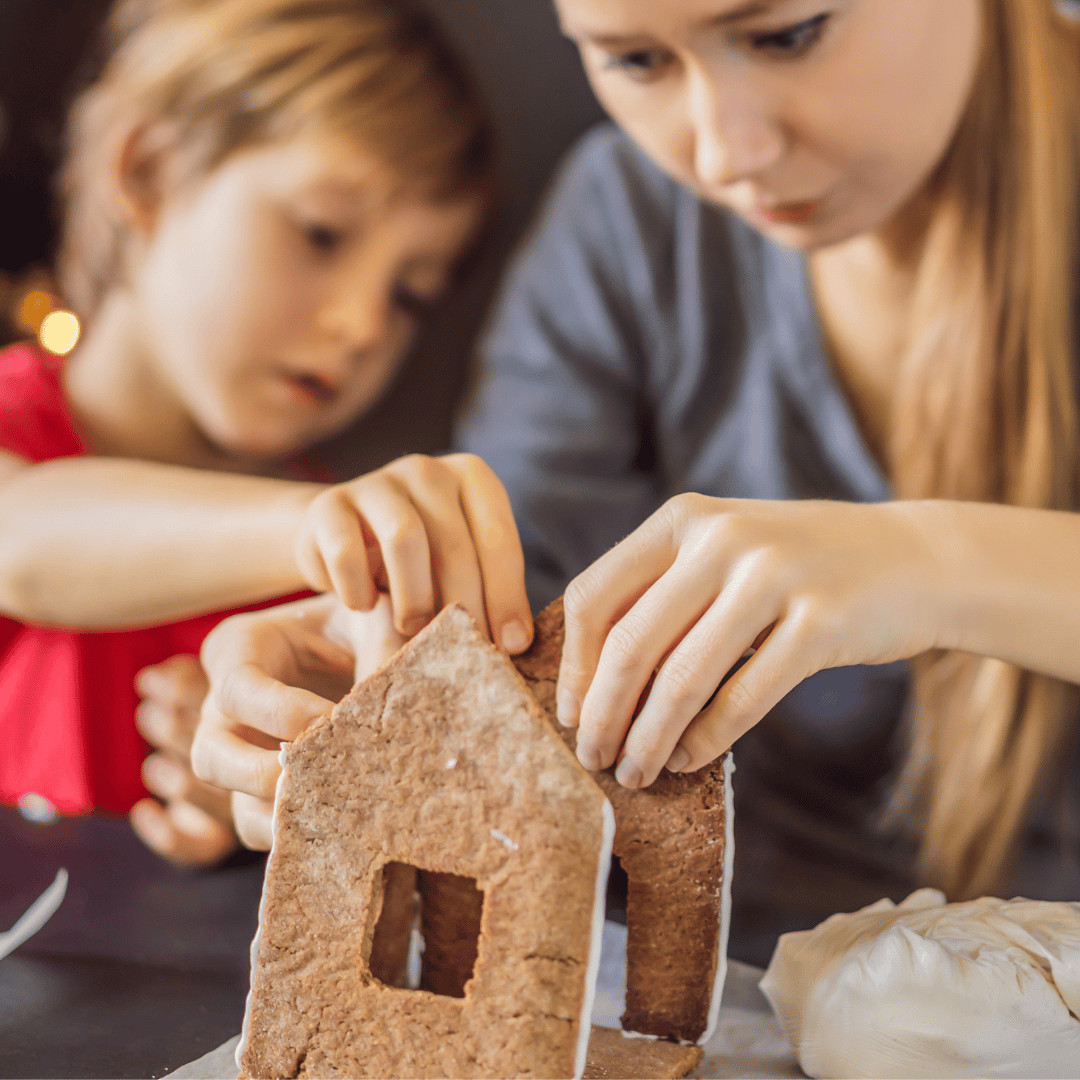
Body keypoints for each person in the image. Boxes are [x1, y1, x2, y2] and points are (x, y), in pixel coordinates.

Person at [193, 0, 1080, 963]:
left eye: (787, 35)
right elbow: (525, 628)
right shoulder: (626, 220)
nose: (727, 152)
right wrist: (381, 674)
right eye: (636, 59)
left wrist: (931, 563)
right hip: (710, 987)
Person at [0, 0, 533, 868]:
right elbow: (19, 536)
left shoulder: (325, 578)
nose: (364, 324)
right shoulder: (320, 532)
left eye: (410, 294)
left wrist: (257, 789)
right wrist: (321, 527)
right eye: (320, 233)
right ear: (149, 173)